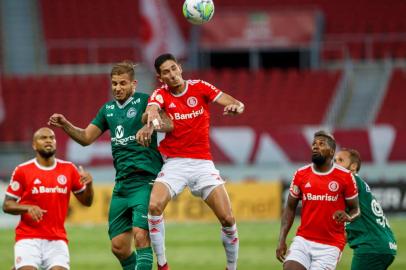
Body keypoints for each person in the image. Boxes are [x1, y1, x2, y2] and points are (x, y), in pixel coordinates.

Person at [48, 61, 173, 270]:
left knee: (141, 237)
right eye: (114, 83)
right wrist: (65, 125)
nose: (117, 88)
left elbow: (170, 123)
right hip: (122, 184)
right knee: (119, 247)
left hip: (145, 180)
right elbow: (87, 137)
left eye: (123, 83)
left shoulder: (146, 101)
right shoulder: (107, 110)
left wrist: (151, 125)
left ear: (134, 84)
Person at [138, 53, 245, 270]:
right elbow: (152, 108)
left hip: (202, 163)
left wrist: (237, 108)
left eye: (173, 69)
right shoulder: (161, 94)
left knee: (227, 218)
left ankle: (231, 268)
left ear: (180, 68)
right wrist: (150, 119)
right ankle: (162, 265)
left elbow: (235, 102)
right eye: (166, 72)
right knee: (154, 206)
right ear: (161, 77)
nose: (172, 74)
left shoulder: (200, 87)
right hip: (175, 163)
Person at [2, 127, 94, 270]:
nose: (48, 141)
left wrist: (89, 185)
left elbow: (87, 202)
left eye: (52, 137)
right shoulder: (23, 170)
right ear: (34, 145)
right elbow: (7, 205)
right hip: (28, 238)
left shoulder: (68, 169)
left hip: (57, 238)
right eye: (43, 138)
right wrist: (28, 207)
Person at [276, 131, 360, 270]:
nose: (315, 146)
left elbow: (356, 209)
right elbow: (290, 207)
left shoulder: (345, 177)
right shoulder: (301, 174)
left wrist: (349, 216)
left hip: (330, 246)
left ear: (332, 152)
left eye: (321, 144)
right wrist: (281, 240)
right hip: (303, 241)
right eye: (314, 144)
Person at [334, 148, 397, 270]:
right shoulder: (356, 185)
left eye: (340, 160)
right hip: (382, 245)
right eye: (334, 160)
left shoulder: (349, 179)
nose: (335, 163)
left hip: (371, 247)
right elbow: (349, 228)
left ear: (353, 166)